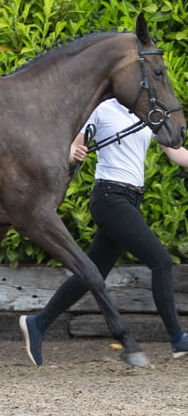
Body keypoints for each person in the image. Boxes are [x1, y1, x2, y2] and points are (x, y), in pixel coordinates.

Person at [20, 98, 188, 365]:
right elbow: (72, 148)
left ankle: (38, 323)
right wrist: (73, 152)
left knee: (92, 272)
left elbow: (177, 153)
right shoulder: (101, 109)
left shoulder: (149, 112)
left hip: (132, 199)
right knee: (161, 261)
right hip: (110, 197)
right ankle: (177, 337)